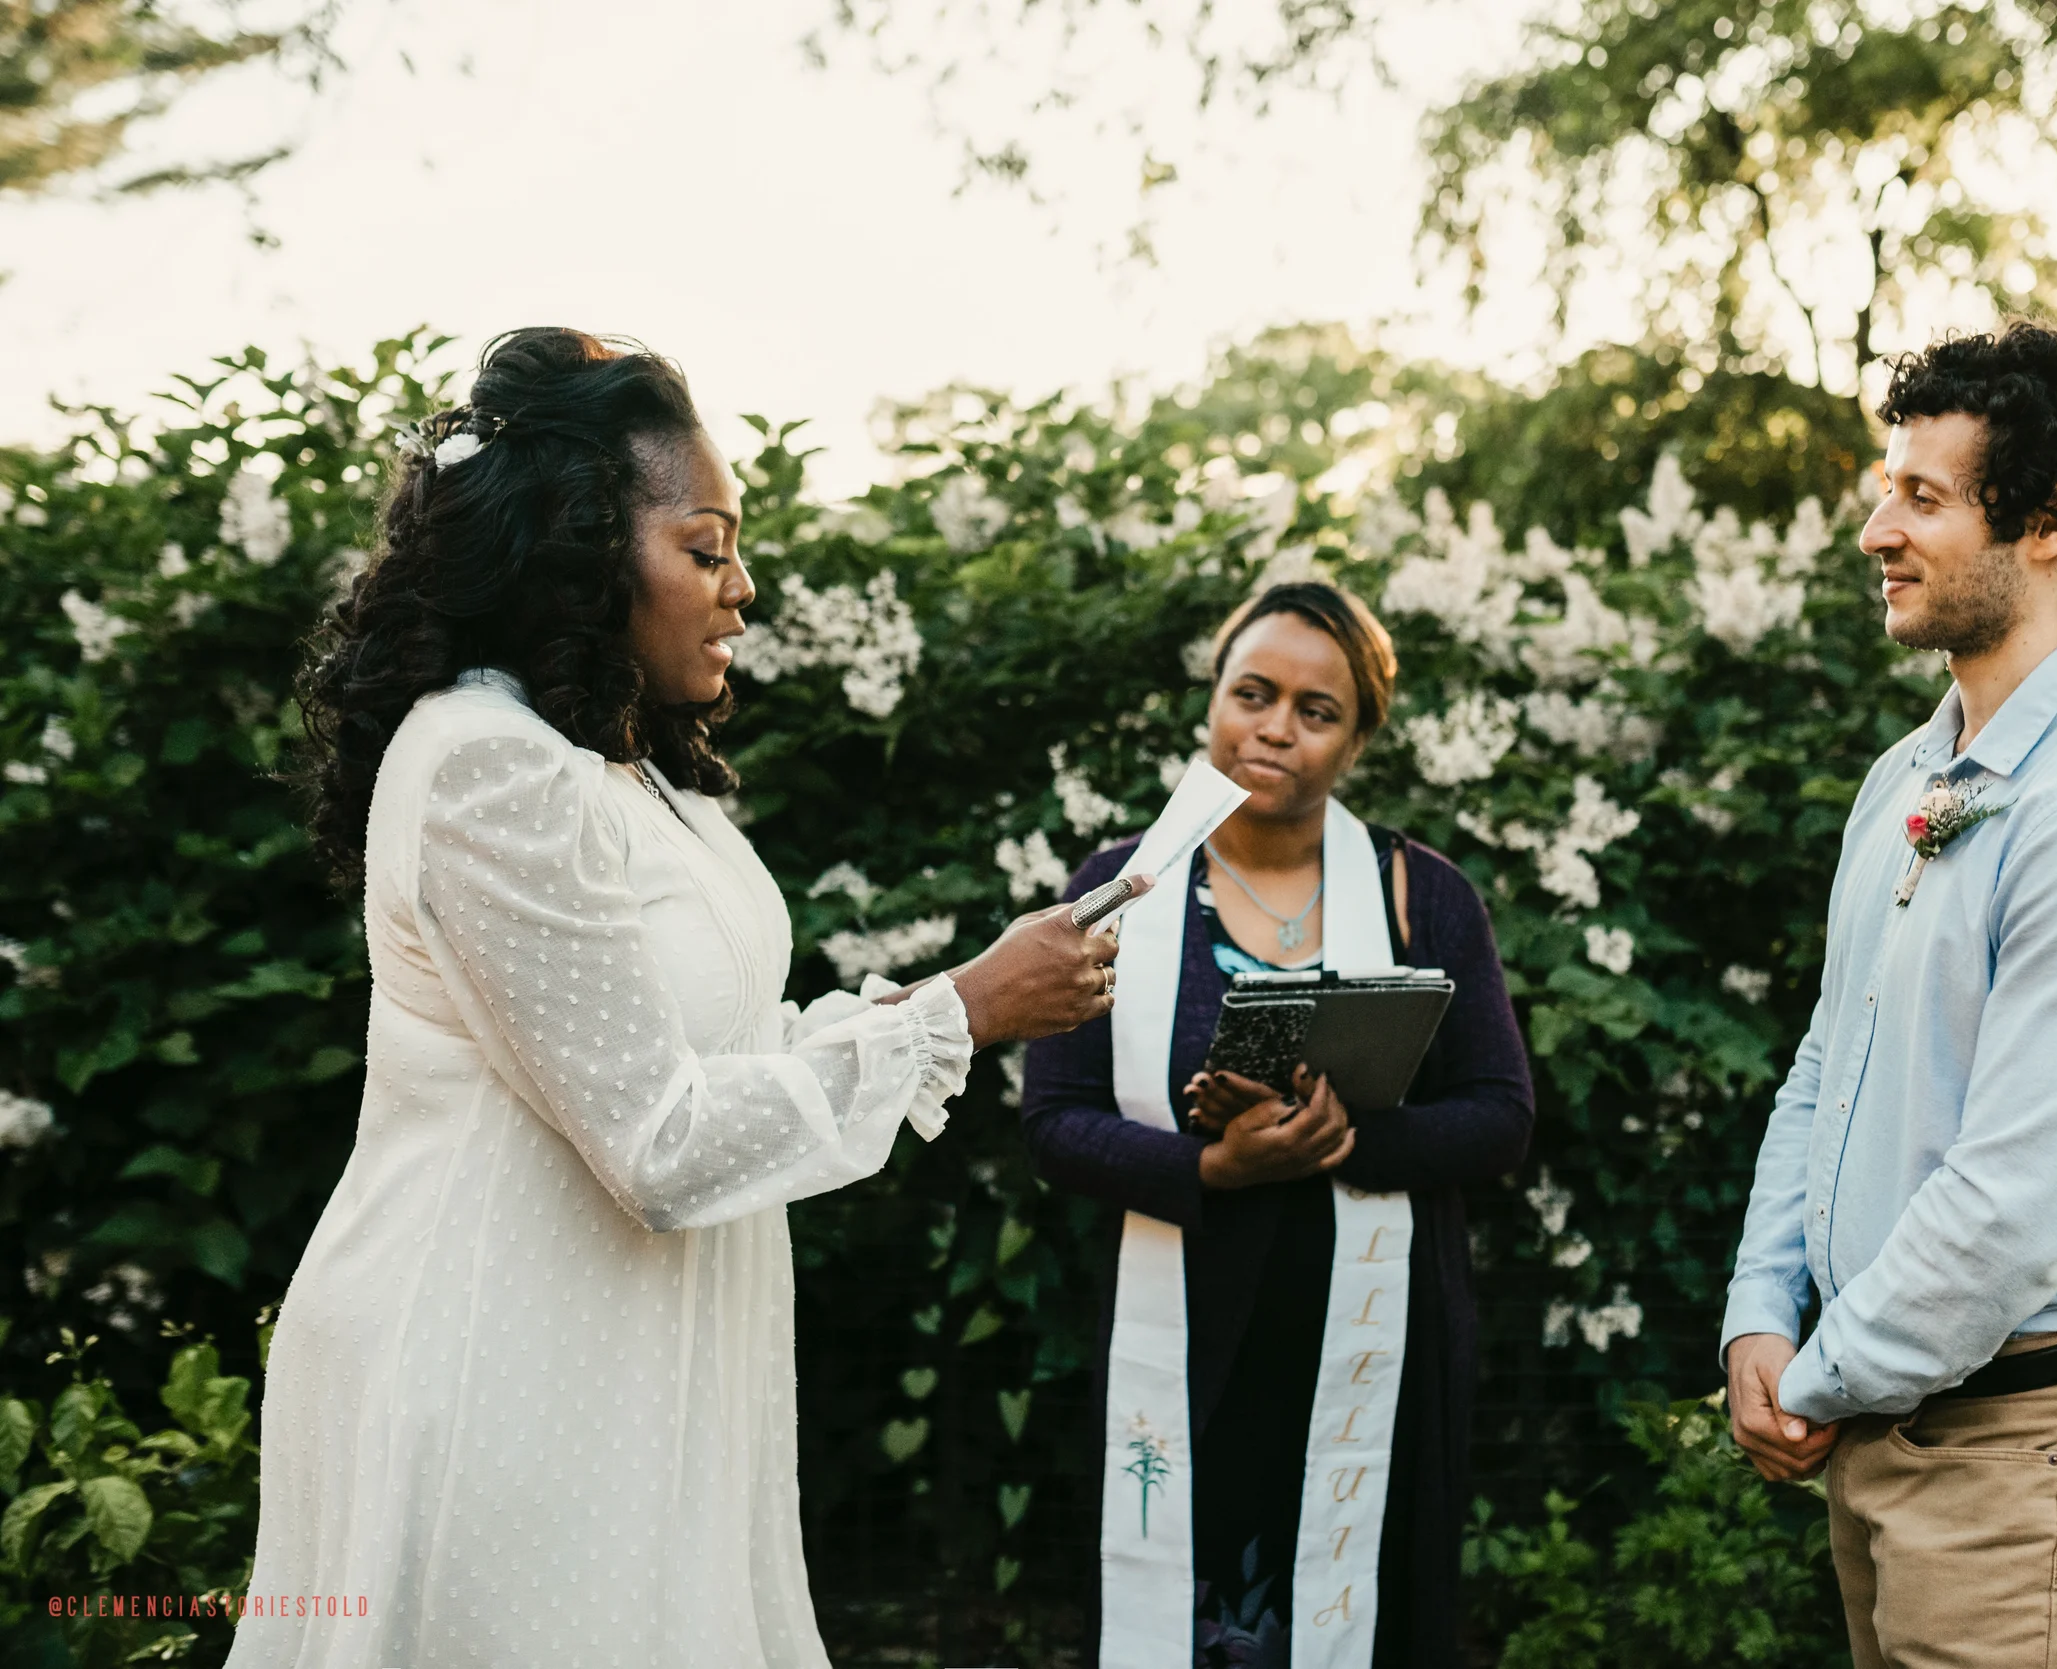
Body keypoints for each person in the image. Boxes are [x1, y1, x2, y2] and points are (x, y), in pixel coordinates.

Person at [235, 327, 1134, 1669]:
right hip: (502, 1373)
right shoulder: (491, 767)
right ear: (587, 553)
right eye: (705, 548)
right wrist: (965, 1009)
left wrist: (922, 1011)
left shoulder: (621, 770)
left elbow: (720, 1054)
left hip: (632, 1368)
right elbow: (661, 1139)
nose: (744, 589)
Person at [1718, 321, 2057, 1668]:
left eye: (1921, 494)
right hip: (1883, 1406)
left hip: (2034, 1446)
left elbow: (2015, 1195)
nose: (1874, 530)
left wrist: (1822, 1376)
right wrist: (1756, 1311)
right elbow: (1825, 1065)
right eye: (1882, 489)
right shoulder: (1914, 774)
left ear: (2051, 520)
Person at [1022, 582, 1535, 1669]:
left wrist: (1340, 1139)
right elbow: (1052, 1121)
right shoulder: (1119, 887)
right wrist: (1213, 1164)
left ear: (1356, 739)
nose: (1275, 728)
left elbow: (1499, 1115)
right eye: (1253, 693)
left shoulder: (1421, 896)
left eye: (1317, 710)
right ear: (1213, 698)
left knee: (1365, 1622)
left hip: (1374, 1339)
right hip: (1183, 1333)